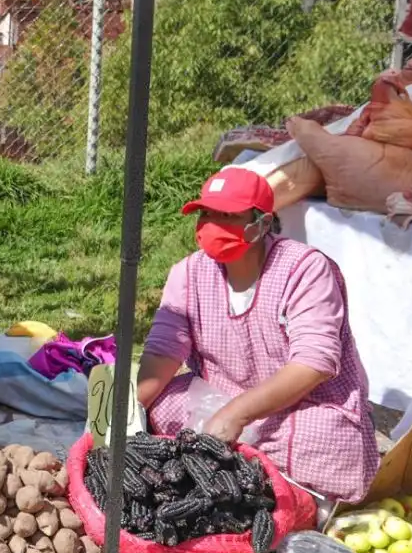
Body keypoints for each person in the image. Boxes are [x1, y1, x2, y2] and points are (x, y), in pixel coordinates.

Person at [135, 167, 378, 504]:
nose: (212, 224)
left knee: (318, 437)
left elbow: (315, 362)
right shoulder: (188, 273)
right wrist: (130, 407)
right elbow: (164, 349)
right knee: (160, 404)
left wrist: (237, 414)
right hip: (220, 394)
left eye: (227, 216)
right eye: (206, 213)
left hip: (300, 403)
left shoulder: (303, 269)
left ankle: (295, 499)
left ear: (262, 224)